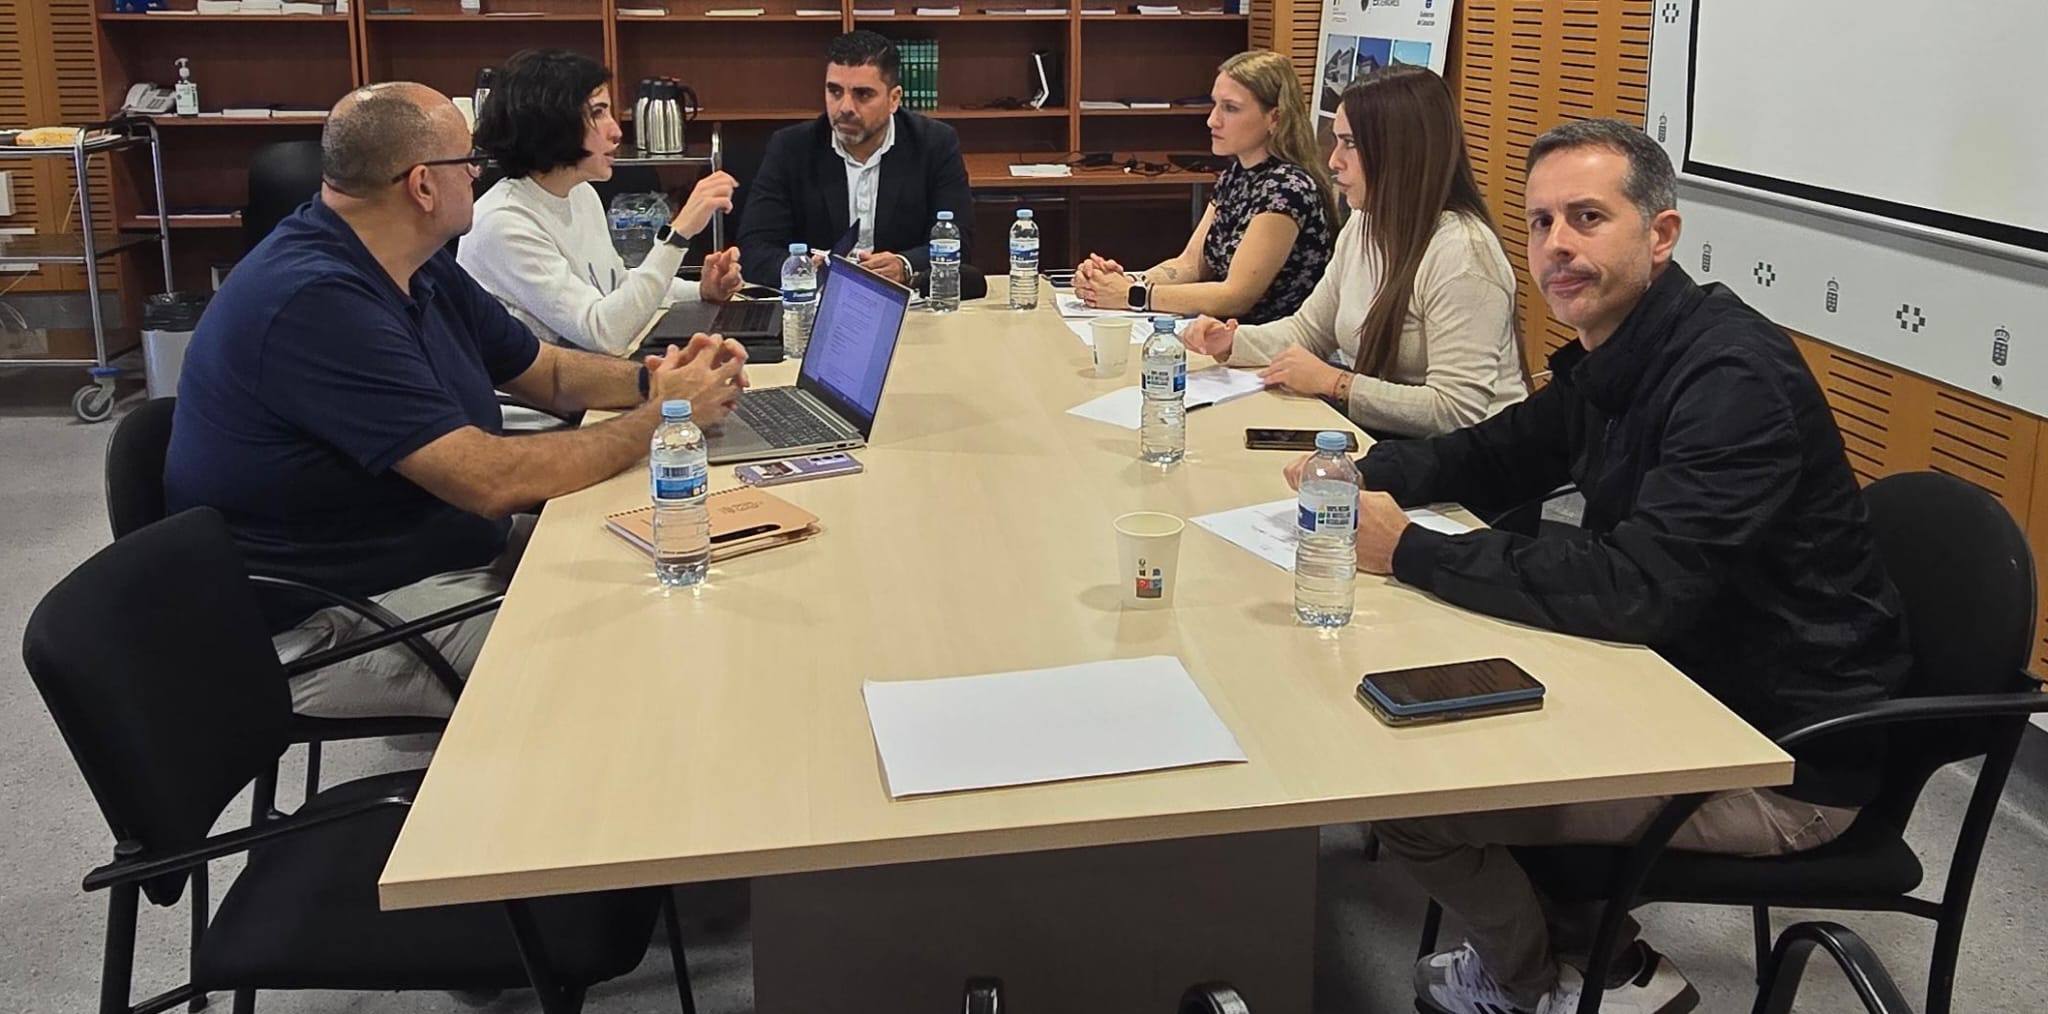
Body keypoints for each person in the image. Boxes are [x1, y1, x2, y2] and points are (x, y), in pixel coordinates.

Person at [1286, 119, 1910, 1014]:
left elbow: (1638, 587)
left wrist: (1411, 550)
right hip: (1678, 683)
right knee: (1408, 723)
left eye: (1587, 217)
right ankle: (1611, 962)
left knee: (1410, 799)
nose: (1557, 246)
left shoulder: (1729, 379)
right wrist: (1356, 471)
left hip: (1777, 757)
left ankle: (1539, 986)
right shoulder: (1619, 349)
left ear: (1661, 235)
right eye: (1541, 222)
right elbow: (1496, 454)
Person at [167, 82, 749, 720]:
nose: (478, 173)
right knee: (631, 647)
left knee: (675, 558)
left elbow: (547, 371)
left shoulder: (410, 257)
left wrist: (655, 383)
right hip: (332, 620)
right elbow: (488, 480)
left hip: (430, 552)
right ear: (422, 185)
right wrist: (663, 418)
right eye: (467, 161)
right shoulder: (315, 302)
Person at [1182, 66, 1527, 438]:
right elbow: (1309, 331)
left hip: (1472, 457)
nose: (1333, 161)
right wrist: (1232, 342)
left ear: (1399, 152)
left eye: (1350, 143)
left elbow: (1456, 410)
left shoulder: (1463, 252)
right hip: (1392, 438)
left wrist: (1336, 383)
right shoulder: (1364, 224)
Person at [458, 49, 744, 358]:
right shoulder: (504, 223)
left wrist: (699, 291)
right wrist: (678, 235)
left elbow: (616, 288)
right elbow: (605, 333)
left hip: (581, 376)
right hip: (533, 391)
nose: (617, 131)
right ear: (552, 124)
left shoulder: (580, 193)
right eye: (597, 113)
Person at [1073, 50, 1336, 325]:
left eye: (1230, 108)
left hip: (1266, 343)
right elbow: (1189, 265)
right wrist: (1115, 282)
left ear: (1275, 118)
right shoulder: (1236, 176)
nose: (1212, 120)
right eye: (1215, 105)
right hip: (1222, 336)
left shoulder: (1288, 188)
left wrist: (1131, 295)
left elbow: (1236, 296)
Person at [736, 30, 973, 290]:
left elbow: (958, 241)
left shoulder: (935, 144)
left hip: (902, 299)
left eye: (863, 94)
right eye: (835, 91)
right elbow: (754, 248)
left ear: (894, 99)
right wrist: (805, 270)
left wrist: (904, 265)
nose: (845, 107)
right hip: (816, 299)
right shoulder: (791, 148)